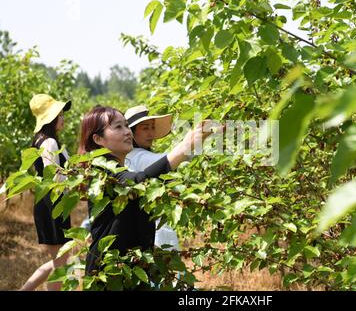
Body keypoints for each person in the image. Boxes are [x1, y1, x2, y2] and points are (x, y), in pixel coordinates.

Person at [78, 106, 214, 275]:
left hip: (131, 270)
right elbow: (136, 181)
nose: (127, 132)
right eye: (118, 127)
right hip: (110, 273)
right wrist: (184, 147)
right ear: (98, 139)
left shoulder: (123, 168)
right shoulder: (101, 173)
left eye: (126, 125)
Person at [20, 94, 72, 291]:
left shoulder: (39, 140)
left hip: (48, 203)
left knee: (60, 260)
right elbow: (55, 178)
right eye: (59, 115)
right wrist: (75, 184)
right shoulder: (49, 142)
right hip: (53, 204)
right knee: (61, 262)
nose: (63, 119)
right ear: (51, 118)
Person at [124, 105, 179, 251]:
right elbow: (170, 160)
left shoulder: (128, 156)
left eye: (152, 127)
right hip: (156, 234)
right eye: (145, 128)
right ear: (132, 132)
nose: (151, 133)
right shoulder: (138, 156)